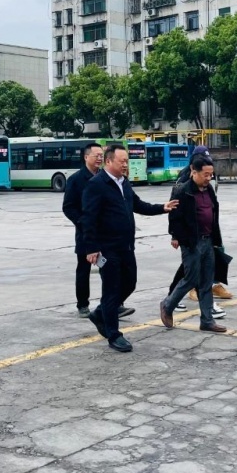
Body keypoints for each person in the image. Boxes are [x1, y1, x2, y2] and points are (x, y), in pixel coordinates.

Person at [81, 143, 178, 353]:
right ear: (108, 161)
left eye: (127, 161)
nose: (126, 165)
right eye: (122, 161)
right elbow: (88, 218)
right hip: (107, 248)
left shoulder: (124, 182)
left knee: (130, 283)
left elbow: (138, 205)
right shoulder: (96, 184)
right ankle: (114, 335)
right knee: (111, 290)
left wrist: (162, 208)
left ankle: (100, 313)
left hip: (126, 246)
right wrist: (91, 247)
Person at [62, 143, 135, 320]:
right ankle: (83, 305)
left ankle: (113, 305)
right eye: (96, 155)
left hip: (107, 236)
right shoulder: (76, 179)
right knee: (83, 269)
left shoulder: (108, 177)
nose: (99, 159)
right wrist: (84, 223)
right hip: (87, 234)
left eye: (101, 155)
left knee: (110, 272)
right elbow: (68, 207)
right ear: (86, 157)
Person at [159, 155, 226, 333]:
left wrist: (216, 240)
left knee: (206, 282)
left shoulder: (209, 189)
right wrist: (175, 236)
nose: (209, 178)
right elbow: (174, 216)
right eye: (205, 174)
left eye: (211, 174)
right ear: (193, 172)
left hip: (208, 240)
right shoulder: (182, 190)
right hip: (191, 242)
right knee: (191, 278)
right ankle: (168, 304)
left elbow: (214, 213)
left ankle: (207, 321)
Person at [168, 145, 232, 309]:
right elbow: (175, 211)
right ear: (193, 167)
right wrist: (175, 235)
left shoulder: (208, 179)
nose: (209, 177)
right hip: (191, 235)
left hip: (207, 232)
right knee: (189, 271)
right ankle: (172, 299)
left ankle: (208, 305)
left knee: (205, 268)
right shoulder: (184, 181)